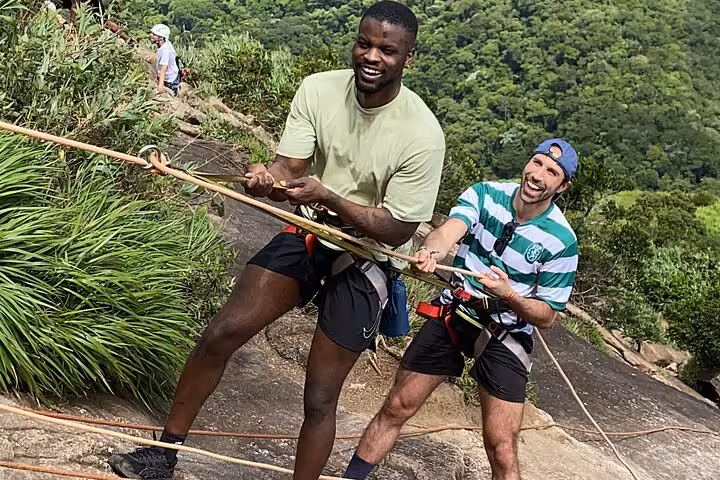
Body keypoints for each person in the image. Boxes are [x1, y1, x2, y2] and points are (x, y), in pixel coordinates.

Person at [107, 2, 444, 479]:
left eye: (387, 50)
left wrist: (330, 198)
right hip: (309, 234)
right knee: (222, 332)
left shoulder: (422, 133)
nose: (372, 56)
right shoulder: (320, 90)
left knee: (321, 394)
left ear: (407, 58)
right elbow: (291, 168)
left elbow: (397, 229)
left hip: (368, 256)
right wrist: (269, 175)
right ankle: (163, 454)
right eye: (364, 43)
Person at [342, 139, 580, 480]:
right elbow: (450, 231)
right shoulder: (485, 194)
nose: (538, 175)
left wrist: (509, 295)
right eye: (537, 163)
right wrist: (433, 252)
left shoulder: (561, 240)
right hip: (456, 310)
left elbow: (547, 316)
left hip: (504, 332)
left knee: (501, 447)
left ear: (563, 186)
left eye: (552, 172)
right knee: (397, 405)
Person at [149, 24, 180, 96]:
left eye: (154, 34)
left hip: (170, 81)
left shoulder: (165, 50)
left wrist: (160, 86)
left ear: (161, 37)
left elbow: (164, 69)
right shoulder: (165, 44)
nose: (151, 35)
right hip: (169, 78)